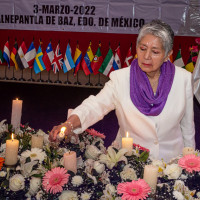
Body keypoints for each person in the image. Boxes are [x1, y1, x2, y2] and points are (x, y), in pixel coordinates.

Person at [49, 19, 195, 162]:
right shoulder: (121, 79)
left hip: (171, 164)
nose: (146, 56)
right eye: (142, 48)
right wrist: (68, 124)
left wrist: (190, 165)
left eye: (155, 52)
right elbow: (95, 105)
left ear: (167, 54)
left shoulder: (184, 79)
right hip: (130, 162)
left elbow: (188, 129)